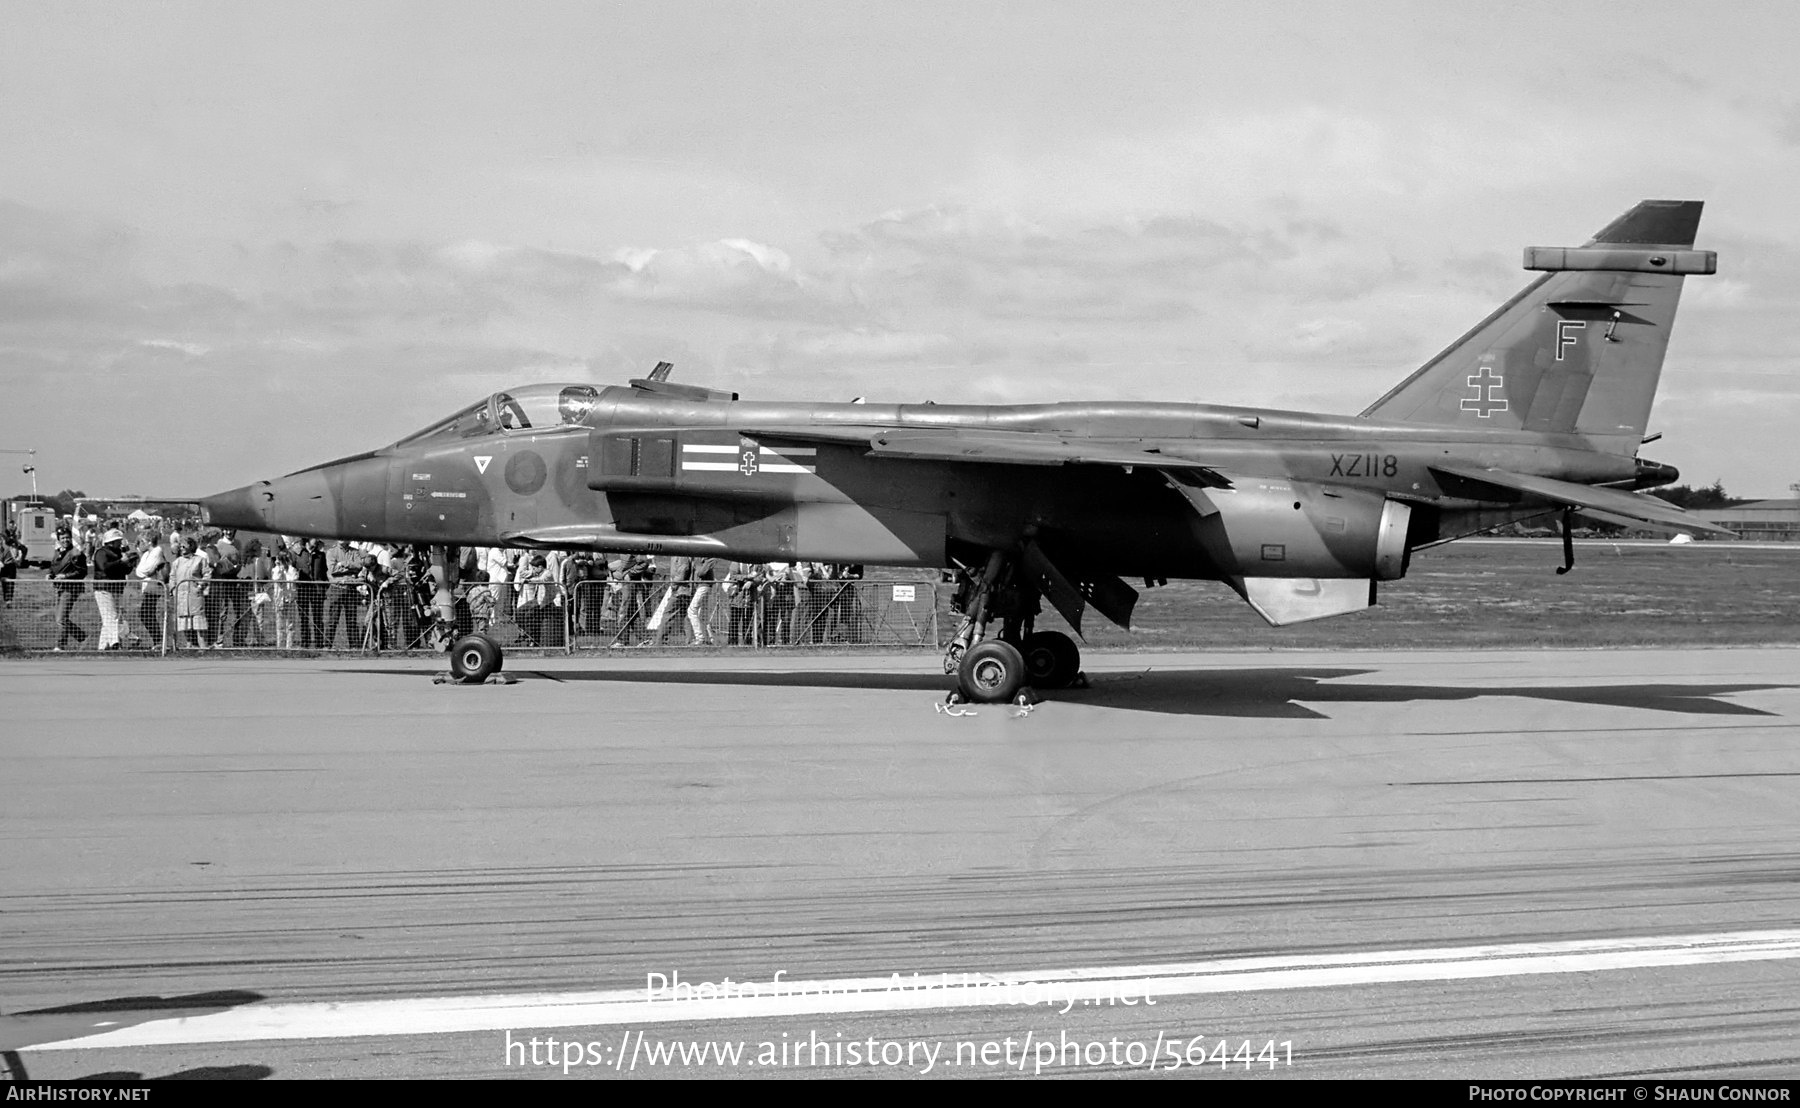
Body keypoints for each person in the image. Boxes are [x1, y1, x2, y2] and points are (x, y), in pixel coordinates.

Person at [92, 528, 133, 650]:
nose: (120, 543)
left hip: (116, 588)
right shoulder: (101, 552)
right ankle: (116, 642)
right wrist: (120, 561)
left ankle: (103, 646)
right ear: (111, 541)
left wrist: (129, 563)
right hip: (103, 588)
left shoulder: (118, 553)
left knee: (108, 619)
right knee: (112, 617)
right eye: (118, 541)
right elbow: (103, 567)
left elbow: (124, 569)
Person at [48, 530, 88, 651]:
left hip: (70, 588)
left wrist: (65, 576)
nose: (65, 540)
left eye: (67, 538)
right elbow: (53, 567)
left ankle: (61, 645)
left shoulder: (76, 553)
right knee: (60, 618)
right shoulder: (58, 552)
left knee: (61, 618)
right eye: (62, 538)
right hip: (59, 588)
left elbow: (82, 572)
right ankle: (82, 637)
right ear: (59, 540)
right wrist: (49, 574)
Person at [321, 539, 363, 649]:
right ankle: (327, 646)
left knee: (352, 620)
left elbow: (359, 566)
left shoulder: (355, 552)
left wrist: (344, 564)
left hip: (350, 589)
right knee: (332, 620)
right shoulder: (331, 552)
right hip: (336, 589)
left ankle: (355, 646)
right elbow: (333, 569)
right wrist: (350, 572)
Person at [170, 536, 211, 649]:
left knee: (199, 622)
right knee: (184, 622)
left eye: (185, 545)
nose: (182, 548)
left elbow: (207, 574)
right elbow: (172, 577)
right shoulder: (177, 562)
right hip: (181, 596)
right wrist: (173, 589)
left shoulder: (200, 560)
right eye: (181, 546)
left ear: (191, 546)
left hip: (195, 595)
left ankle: (203, 647)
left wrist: (200, 586)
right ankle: (189, 646)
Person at [133, 532, 170, 650]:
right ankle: (157, 639)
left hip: (155, 586)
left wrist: (148, 571)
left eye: (142, 542)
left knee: (146, 613)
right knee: (146, 614)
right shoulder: (146, 554)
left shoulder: (157, 551)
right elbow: (140, 572)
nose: (140, 545)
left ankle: (158, 640)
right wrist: (146, 571)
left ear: (148, 542)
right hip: (147, 586)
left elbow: (145, 570)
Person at [269, 546, 300, 649]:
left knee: (290, 625)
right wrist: (279, 567)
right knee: (280, 625)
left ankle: (289, 647)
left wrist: (289, 567)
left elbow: (294, 578)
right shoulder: (276, 570)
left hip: (290, 599)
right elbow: (276, 578)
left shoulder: (292, 570)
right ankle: (280, 646)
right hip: (280, 600)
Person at [688, 557, 720, 646]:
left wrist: (697, 563)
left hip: (704, 586)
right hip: (702, 586)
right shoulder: (703, 560)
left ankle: (700, 638)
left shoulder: (709, 560)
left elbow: (701, 573)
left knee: (691, 610)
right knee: (702, 615)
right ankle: (710, 638)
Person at [0, 527, 22, 607]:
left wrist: (19, 559)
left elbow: (22, 549)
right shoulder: (3, 546)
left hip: (10, 566)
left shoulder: (13, 544)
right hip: (3, 566)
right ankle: (7, 599)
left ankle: (9, 600)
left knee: (10, 583)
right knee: (4, 583)